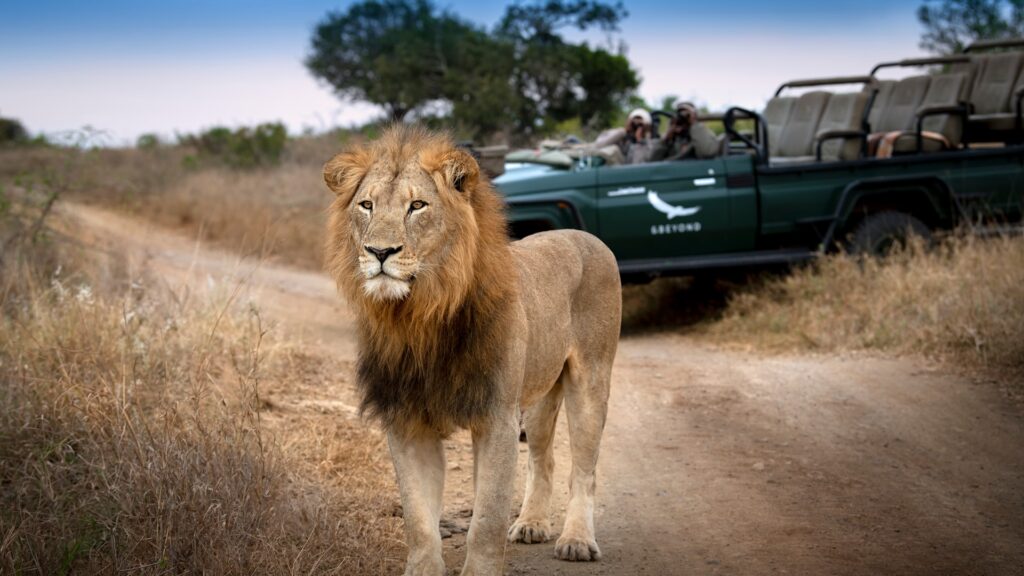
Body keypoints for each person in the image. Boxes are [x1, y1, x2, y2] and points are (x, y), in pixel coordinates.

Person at [650, 101, 720, 161]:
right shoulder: (672, 140)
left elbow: (707, 152)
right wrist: (666, 139)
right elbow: (652, 161)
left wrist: (694, 124)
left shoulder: (703, 134)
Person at [591, 108, 655, 164]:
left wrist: (639, 141)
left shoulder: (648, 143)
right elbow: (598, 145)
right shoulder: (622, 135)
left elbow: (636, 165)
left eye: (640, 124)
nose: (636, 126)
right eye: (634, 121)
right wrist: (622, 132)